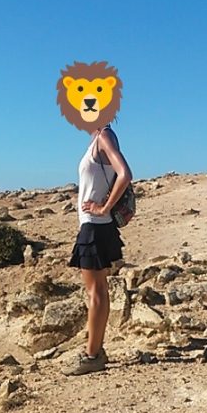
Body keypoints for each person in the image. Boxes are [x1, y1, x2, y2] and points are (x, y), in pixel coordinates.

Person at [65, 122, 131, 375]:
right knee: (98, 290)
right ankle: (95, 350)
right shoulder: (101, 137)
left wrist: (102, 208)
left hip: (94, 226)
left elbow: (125, 174)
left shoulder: (103, 136)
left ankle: (92, 355)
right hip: (97, 226)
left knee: (96, 293)